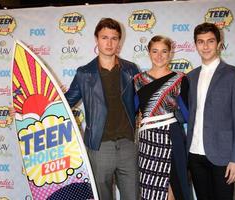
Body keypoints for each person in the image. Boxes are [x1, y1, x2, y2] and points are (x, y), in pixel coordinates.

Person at [64, 18, 139, 200]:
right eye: (104, 37)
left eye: (114, 38)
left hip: (127, 144)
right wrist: (25, 112)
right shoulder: (84, 73)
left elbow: (143, 100)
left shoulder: (130, 69)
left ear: (119, 42)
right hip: (99, 146)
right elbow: (65, 102)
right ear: (96, 39)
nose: (109, 43)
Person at [186, 22, 235, 200]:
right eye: (200, 42)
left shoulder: (234, 75)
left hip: (222, 156)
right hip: (195, 154)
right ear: (195, 44)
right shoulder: (190, 77)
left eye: (210, 41)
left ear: (219, 43)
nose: (205, 46)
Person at [134, 35, 190, 200]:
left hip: (171, 138)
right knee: (149, 187)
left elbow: (187, 114)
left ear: (170, 53)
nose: (159, 56)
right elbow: (131, 110)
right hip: (147, 141)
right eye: (155, 51)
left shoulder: (179, 79)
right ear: (149, 52)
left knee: (172, 188)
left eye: (164, 51)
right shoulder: (138, 80)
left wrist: (167, 116)